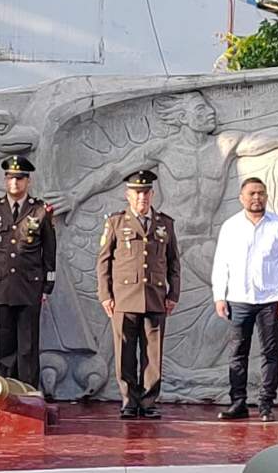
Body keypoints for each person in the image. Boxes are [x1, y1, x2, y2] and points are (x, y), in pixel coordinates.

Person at [96, 170, 181, 419]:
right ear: (128, 195)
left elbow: (173, 262)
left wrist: (173, 293)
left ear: (152, 194)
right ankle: (129, 400)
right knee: (124, 352)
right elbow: (103, 262)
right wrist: (105, 295)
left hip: (155, 297)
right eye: (137, 192)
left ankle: (148, 401)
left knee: (152, 354)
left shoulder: (165, 223)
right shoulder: (116, 223)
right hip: (124, 297)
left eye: (146, 192)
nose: (141, 197)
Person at [212, 177, 278, 422]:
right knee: (238, 352)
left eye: (261, 193)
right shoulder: (231, 226)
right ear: (242, 198)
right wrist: (220, 296)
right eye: (252, 193)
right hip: (239, 299)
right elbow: (221, 264)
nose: (257, 197)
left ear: (266, 196)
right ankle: (238, 403)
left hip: (271, 299)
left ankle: (266, 405)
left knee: (270, 353)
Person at [0, 155, 56, 390]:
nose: (15, 182)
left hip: (29, 287)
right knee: (4, 345)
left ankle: (28, 393)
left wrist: (47, 286)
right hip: (1, 285)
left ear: (28, 181)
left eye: (20, 178)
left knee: (28, 346)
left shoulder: (40, 210)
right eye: (11, 178)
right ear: (5, 180)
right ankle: (7, 392)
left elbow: (49, 251)